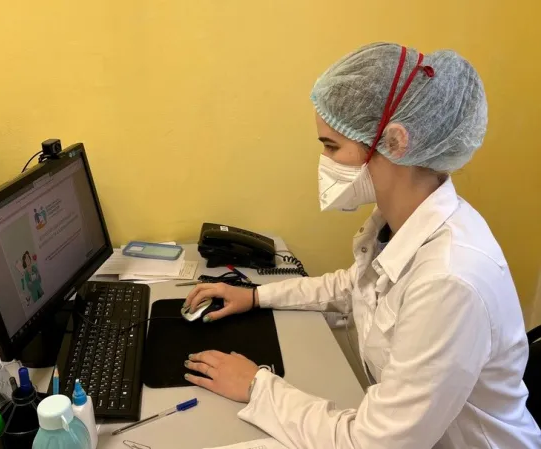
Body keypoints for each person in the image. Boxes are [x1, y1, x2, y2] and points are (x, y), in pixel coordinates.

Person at [183, 43, 541, 448]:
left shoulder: (449, 280)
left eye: (332, 146)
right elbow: (353, 286)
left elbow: (375, 443)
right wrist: (255, 296)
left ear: (395, 142)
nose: (324, 160)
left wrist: (257, 386)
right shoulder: (397, 222)